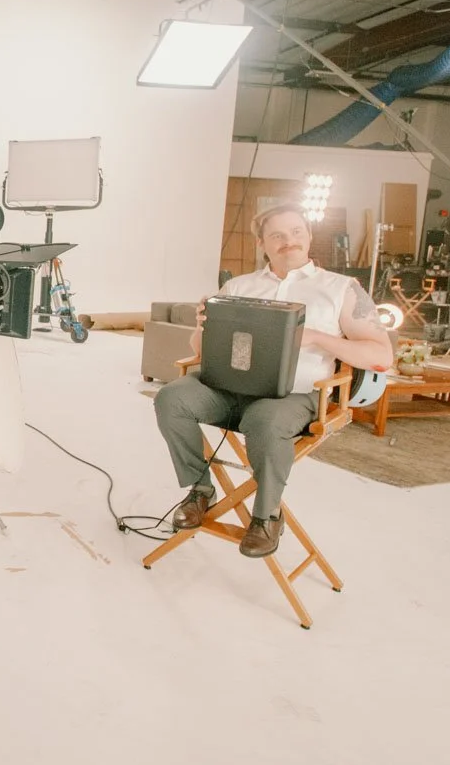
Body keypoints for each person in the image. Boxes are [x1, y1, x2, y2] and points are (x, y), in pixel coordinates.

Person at [154, 202, 393, 557]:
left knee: (263, 419)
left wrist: (316, 337)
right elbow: (202, 352)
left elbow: (382, 356)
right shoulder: (238, 286)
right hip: (229, 389)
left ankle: (267, 515)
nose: (288, 241)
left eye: (296, 232)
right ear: (261, 243)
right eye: (277, 235)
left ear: (308, 236)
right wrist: (204, 325)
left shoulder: (341, 288)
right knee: (171, 398)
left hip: (295, 396)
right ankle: (201, 489)